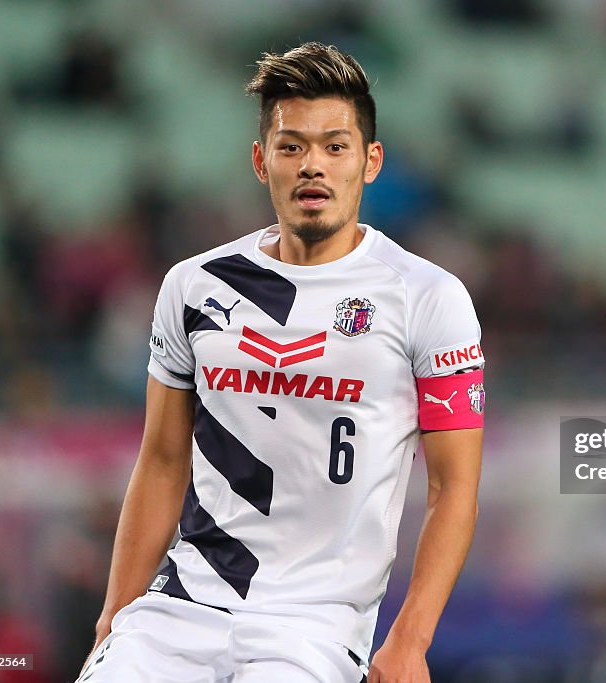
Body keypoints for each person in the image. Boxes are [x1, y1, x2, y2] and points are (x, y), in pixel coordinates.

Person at [77, 42, 485, 683]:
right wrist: (114, 616)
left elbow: (453, 487)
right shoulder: (194, 285)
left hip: (315, 625)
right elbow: (161, 458)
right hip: (181, 606)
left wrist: (410, 640)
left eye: (335, 146)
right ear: (260, 160)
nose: (312, 166)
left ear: (370, 162)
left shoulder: (428, 298)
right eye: (291, 146)